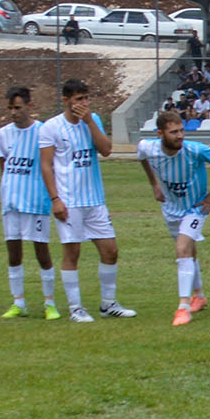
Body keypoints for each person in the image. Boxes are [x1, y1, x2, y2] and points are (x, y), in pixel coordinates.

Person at [38, 79, 129, 321]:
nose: (84, 104)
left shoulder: (93, 120)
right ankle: (75, 308)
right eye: (79, 99)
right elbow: (46, 167)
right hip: (69, 201)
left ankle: (108, 304)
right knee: (72, 252)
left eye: (86, 98)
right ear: (65, 100)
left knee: (110, 251)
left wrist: (89, 121)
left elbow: (107, 149)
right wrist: (55, 199)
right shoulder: (50, 127)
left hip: (95, 200)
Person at [139, 108, 210, 325]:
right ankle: (200, 295)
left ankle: (183, 307)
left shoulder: (194, 150)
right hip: (171, 207)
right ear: (160, 134)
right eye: (173, 132)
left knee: (182, 248)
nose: (179, 136)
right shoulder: (148, 147)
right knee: (189, 251)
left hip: (195, 208)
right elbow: (142, 157)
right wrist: (154, 184)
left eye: (181, 131)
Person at [0, 87, 58, 319]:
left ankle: (49, 303)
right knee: (13, 253)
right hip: (11, 203)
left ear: (29, 106)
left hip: (36, 201)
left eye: (17, 108)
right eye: (10, 108)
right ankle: (18, 302)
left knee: (42, 252)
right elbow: (4, 166)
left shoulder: (43, 132)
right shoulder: (2, 135)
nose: (13, 112)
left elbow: (50, 165)